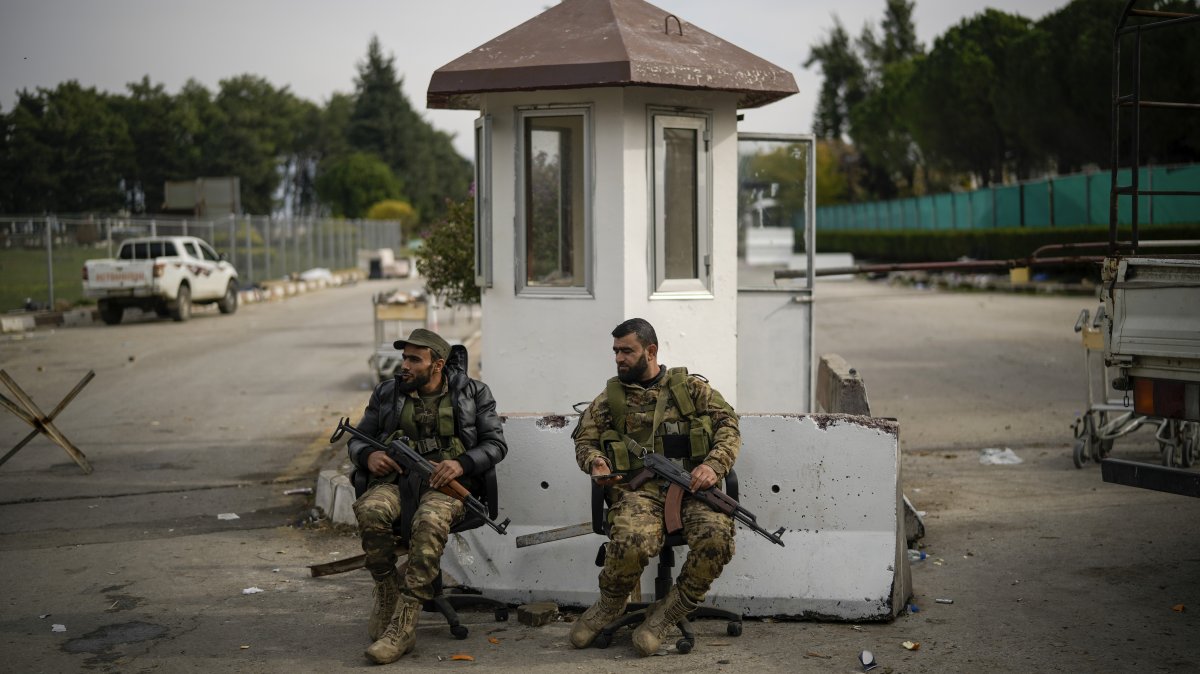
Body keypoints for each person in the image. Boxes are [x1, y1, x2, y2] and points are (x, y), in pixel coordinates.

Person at [570, 317, 740, 656]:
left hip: (692, 488)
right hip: (638, 492)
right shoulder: (610, 399)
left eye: (627, 351)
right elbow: (584, 440)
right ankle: (611, 604)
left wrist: (713, 464)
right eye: (616, 351)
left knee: (717, 538)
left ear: (651, 351)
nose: (619, 358)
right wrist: (595, 462)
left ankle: (670, 611)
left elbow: (729, 426)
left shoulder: (691, 389)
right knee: (631, 540)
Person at [347, 328, 507, 664]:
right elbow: (358, 439)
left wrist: (462, 464)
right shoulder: (388, 393)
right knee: (369, 509)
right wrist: (368, 457)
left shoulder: (473, 393)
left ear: (437, 365)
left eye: (413, 359)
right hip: (395, 484)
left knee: (428, 521)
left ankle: (403, 626)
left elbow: (495, 445)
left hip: (446, 490)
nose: (404, 365)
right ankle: (388, 587)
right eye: (404, 357)